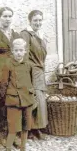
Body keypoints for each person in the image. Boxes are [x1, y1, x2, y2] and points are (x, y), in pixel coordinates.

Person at [0, 38, 36, 151]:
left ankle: (23, 147)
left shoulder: (29, 65)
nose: (19, 53)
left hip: (27, 99)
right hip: (13, 101)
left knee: (26, 126)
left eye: (21, 50)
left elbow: (31, 81)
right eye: (16, 50)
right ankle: (8, 148)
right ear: (12, 51)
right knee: (13, 128)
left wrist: (31, 93)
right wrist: (6, 97)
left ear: (25, 51)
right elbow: (3, 84)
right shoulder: (8, 64)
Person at [0, 7, 20, 147]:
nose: (7, 19)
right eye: (4, 16)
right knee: (0, 103)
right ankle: (0, 136)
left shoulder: (14, 34)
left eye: (10, 16)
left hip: (12, 72)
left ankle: (12, 134)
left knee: (13, 102)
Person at [20, 10, 48, 140]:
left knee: (40, 100)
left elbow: (42, 55)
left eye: (40, 20)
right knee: (32, 100)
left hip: (39, 71)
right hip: (30, 71)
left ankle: (37, 128)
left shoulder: (40, 35)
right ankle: (29, 129)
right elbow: (23, 55)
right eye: (35, 20)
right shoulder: (25, 34)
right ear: (30, 21)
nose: (38, 22)